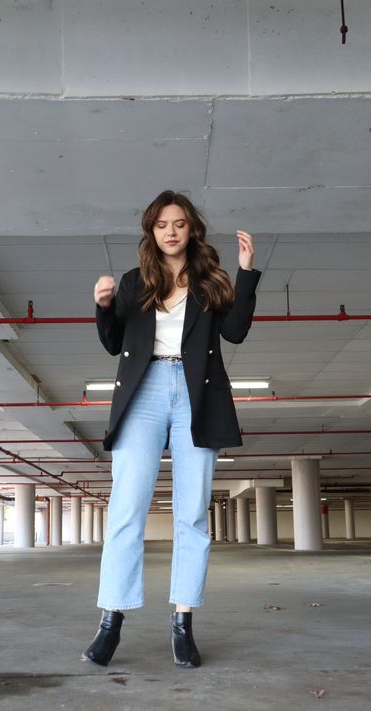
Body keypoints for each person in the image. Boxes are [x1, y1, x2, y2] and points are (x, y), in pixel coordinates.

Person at [83, 190, 261, 668]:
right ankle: (110, 622)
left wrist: (246, 272)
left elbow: (237, 331)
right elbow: (113, 341)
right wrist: (103, 305)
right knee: (126, 509)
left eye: (179, 223)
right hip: (143, 393)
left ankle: (183, 622)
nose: (171, 231)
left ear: (191, 230)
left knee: (192, 515)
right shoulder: (132, 281)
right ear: (152, 230)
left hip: (195, 393)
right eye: (162, 224)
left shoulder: (210, 282)